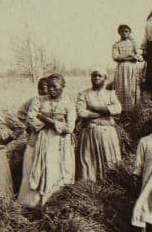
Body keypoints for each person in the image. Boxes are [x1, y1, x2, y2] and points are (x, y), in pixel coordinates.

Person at [19, 74, 76, 208]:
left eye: (54, 87)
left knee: (58, 169)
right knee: (41, 167)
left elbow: (69, 127)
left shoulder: (68, 104)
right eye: (49, 87)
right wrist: (55, 123)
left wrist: (46, 119)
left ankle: (54, 203)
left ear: (62, 86)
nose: (51, 90)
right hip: (42, 140)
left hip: (60, 143)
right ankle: (35, 203)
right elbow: (30, 119)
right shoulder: (38, 101)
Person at [76, 69, 123, 182]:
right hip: (89, 132)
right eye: (94, 76)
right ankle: (89, 184)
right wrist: (104, 112)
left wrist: (93, 108)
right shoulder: (84, 94)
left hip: (107, 133)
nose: (96, 78)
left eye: (99, 76)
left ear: (105, 79)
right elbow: (81, 112)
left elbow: (118, 109)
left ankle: (109, 182)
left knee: (109, 158)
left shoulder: (110, 94)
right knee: (89, 160)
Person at [16, 78, 49, 202]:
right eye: (40, 88)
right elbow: (20, 114)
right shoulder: (34, 101)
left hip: (49, 139)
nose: (42, 91)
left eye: (44, 88)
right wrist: (29, 126)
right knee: (33, 166)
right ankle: (30, 200)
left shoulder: (54, 102)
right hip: (35, 138)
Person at [111, 24, 144, 111]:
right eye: (122, 31)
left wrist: (132, 57)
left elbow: (139, 57)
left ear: (129, 33)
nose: (124, 33)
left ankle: (132, 109)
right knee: (121, 88)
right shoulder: (116, 44)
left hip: (132, 68)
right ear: (119, 33)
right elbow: (115, 57)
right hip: (121, 68)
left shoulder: (133, 43)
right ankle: (121, 109)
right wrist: (130, 55)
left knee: (131, 88)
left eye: (126, 31)